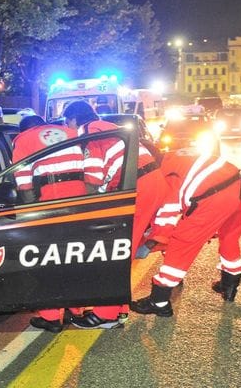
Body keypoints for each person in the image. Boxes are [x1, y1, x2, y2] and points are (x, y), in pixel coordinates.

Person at [62, 100, 170, 329]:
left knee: (116, 251)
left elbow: (92, 178)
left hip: (139, 187)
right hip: (150, 182)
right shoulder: (107, 126)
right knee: (124, 248)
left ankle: (106, 314)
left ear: (73, 119)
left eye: (67, 121)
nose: (67, 126)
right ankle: (119, 310)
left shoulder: (88, 132)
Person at [131, 149, 241, 317]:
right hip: (239, 185)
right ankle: (229, 285)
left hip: (213, 197)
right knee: (229, 236)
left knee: (181, 243)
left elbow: (166, 215)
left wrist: (151, 241)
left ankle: (159, 301)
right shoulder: (174, 156)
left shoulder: (164, 176)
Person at [12, 114, 87, 333]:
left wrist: (28, 210)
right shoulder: (70, 132)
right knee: (75, 256)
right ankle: (78, 310)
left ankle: (52, 317)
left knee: (50, 259)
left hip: (52, 199)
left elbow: (23, 178)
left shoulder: (23, 139)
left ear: (23, 129)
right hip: (80, 197)